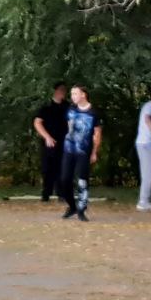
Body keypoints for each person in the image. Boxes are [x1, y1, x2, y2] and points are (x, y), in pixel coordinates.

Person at [61, 85, 102, 221]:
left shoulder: (94, 112)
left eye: (75, 94)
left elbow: (97, 134)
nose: (72, 96)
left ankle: (81, 210)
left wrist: (94, 152)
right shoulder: (71, 109)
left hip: (84, 151)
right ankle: (72, 206)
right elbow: (69, 128)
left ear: (83, 95)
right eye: (71, 94)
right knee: (64, 179)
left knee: (82, 181)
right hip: (69, 150)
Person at [34, 83, 70, 203]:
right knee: (48, 168)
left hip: (64, 141)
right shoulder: (46, 106)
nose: (63, 92)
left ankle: (62, 193)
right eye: (61, 90)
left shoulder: (68, 107)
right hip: (49, 142)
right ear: (55, 91)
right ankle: (46, 194)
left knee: (63, 167)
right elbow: (37, 123)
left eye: (64, 90)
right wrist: (47, 137)